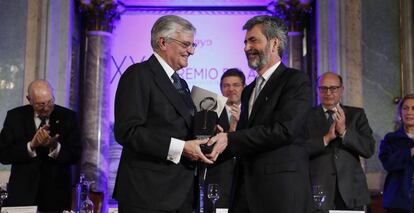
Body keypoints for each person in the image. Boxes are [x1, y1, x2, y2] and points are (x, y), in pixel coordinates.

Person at [207, 15, 313, 213]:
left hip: (281, 194)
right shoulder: (249, 90)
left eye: (253, 40)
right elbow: (246, 139)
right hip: (245, 193)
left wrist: (230, 138)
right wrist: (213, 142)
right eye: (245, 42)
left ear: (274, 43)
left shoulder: (295, 81)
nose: (246, 47)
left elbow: (285, 130)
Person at [113, 15, 212, 213]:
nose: (191, 51)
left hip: (181, 194)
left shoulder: (181, 84)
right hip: (147, 195)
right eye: (186, 44)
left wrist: (206, 133)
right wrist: (181, 148)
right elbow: (128, 131)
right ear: (163, 42)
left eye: (193, 45)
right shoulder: (138, 74)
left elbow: (181, 129)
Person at [0, 79, 81, 212]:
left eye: (50, 101)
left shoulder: (68, 117)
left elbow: (76, 154)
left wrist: (55, 147)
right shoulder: (15, 117)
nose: (47, 108)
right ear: (29, 99)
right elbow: (3, 154)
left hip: (56, 196)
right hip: (22, 196)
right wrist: (30, 146)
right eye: (40, 104)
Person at [306, 72, 375, 211]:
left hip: (352, 191)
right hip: (318, 191)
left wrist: (344, 132)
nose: (328, 93)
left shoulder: (357, 115)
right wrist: (325, 139)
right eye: (323, 88)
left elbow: (368, 149)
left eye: (333, 88)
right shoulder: (306, 116)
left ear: (342, 90)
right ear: (317, 90)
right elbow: (298, 150)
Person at [203, 68, 245, 212]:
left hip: (246, 182)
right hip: (219, 181)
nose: (231, 89)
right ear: (220, 88)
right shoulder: (209, 113)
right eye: (226, 85)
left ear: (243, 87)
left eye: (236, 85)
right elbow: (205, 149)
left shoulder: (252, 113)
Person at [379, 94, 414, 213]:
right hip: (399, 202)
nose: (409, 112)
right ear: (400, 112)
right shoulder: (391, 139)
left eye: (413, 108)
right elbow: (388, 164)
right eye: (405, 108)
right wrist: (410, 152)